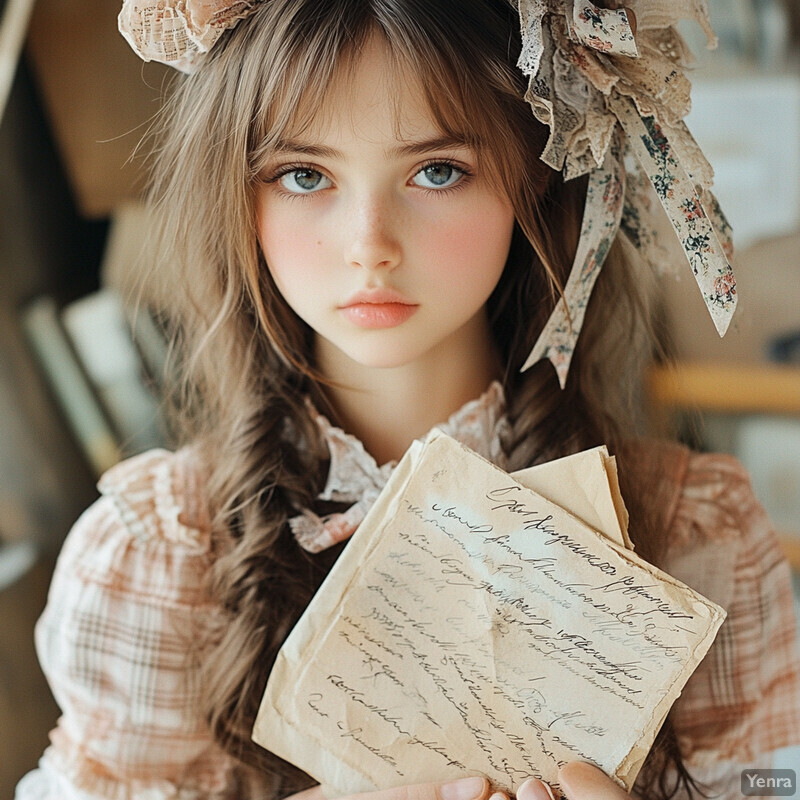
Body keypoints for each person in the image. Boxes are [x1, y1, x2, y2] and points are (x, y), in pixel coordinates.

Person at [15, 1, 800, 798]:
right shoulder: (159, 555)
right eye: (304, 175)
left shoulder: (699, 537)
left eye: (437, 171)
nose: (369, 244)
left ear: (540, 174)